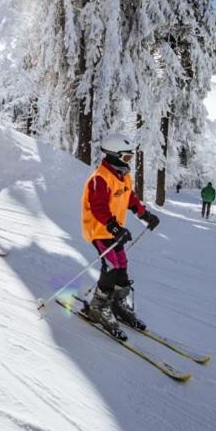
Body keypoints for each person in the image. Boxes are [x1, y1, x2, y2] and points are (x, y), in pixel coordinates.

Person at [81, 133, 160, 340]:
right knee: (112, 265)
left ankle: (116, 303)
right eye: (126, 158)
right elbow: (98, 208)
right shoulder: (100, 179)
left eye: (130, 158)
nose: (129, 162)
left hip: (114, 230)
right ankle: (98, 306)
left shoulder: (123, 176)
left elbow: (130, 198)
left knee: (122, 264)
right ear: (114, 155)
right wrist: (115, 228)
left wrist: (145, 215)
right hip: (99, 229)